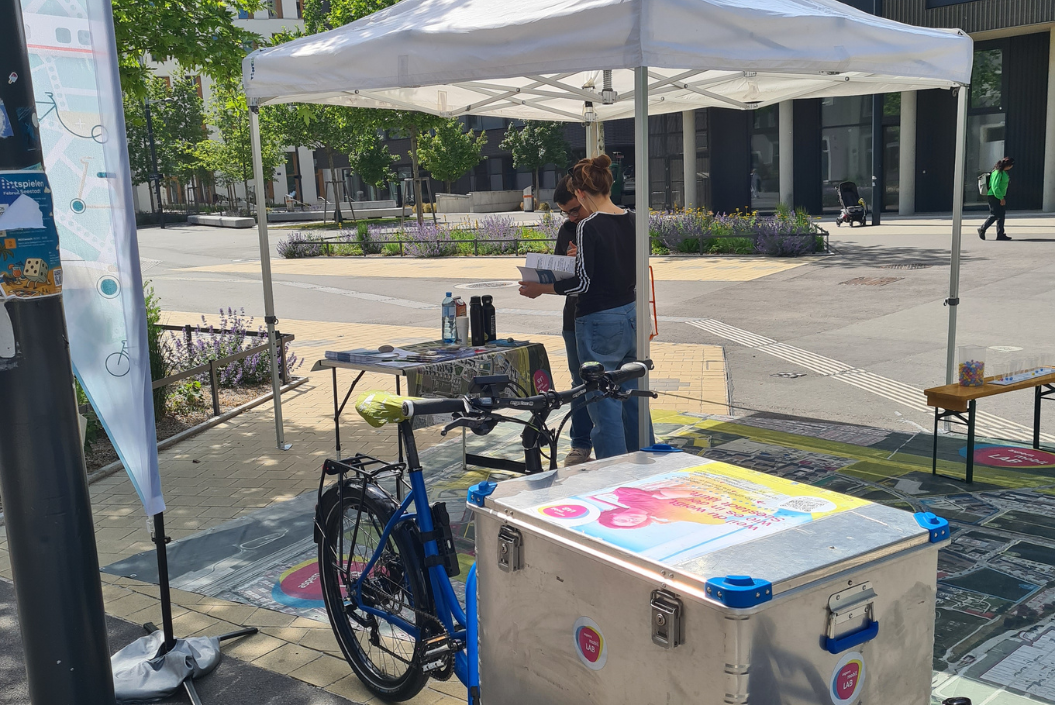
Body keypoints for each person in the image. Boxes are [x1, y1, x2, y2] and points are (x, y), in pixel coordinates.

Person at [519, 155, 654, 459]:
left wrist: (542, 287)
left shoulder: (588, 227)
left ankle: (614, 472)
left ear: (580, 193)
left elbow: (582, 284)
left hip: (599, 320)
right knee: (633, 396)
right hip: (631, 313)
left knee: (602, 401)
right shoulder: (633, 218)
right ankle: (646, 460)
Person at [552, 176, 594, 466]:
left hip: (603, 314)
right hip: (573, 315)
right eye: (565, 212)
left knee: (608, 381)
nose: (570, 217)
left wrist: (587, 258)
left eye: (573, 209)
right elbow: (558, 271)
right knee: (579, 382)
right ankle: (580, 444)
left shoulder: (604, 225)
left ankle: (615, 443)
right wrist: (568, 263)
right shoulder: (568, 228)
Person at [978, 157, 1014, 241]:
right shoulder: (998, 172)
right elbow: (995, 187)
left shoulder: (1003, 172)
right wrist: (1001, 198)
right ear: (1007, 165)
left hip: (999, 195)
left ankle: (1000, 234)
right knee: (994, 214)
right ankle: (982, 228)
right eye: (1011, 165)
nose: (1011, 167)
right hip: (994, 196)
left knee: (1001, 215)